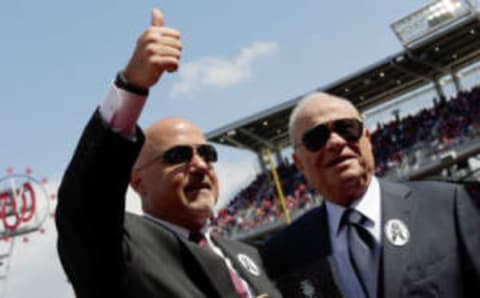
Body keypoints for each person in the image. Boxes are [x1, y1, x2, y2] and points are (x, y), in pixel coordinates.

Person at [55, 8, 280, 298]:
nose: (199, 164)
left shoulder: (250, 257)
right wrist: (131, 85)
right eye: (178, 156)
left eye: (207, 153)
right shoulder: (121, 249)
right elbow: (84, 204)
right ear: (137, 182)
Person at [261, 92, 480, 297]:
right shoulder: (282, 254)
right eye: (316, 138)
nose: (335, 142)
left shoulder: (444, 205)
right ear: (299, 163)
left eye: (346, 128)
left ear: (367, 138)